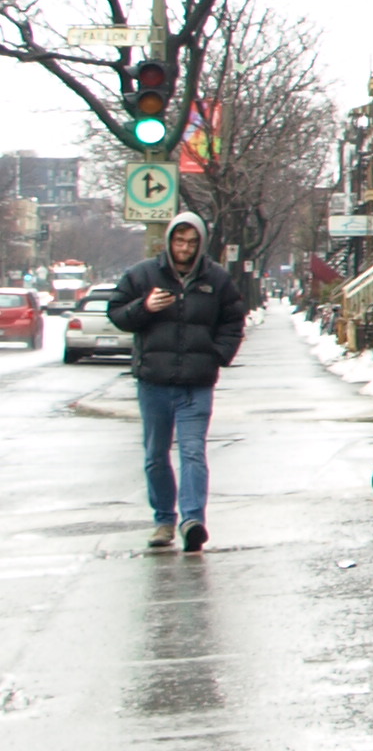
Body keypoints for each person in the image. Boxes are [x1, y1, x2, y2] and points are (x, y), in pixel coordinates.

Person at [108, 216, 253, 554]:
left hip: (196, 384)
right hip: (154, 382)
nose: (185, 248)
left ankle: (192, 521)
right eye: (179, 241)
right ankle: (163, 519)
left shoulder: (215, 279)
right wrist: (144, 308)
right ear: (170, 241)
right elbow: (116, 312)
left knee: (192, 452)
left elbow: (234, 320)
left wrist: (216, 355)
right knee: (156, 455)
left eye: (191, 242)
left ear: (200, 243)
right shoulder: (143, 275)